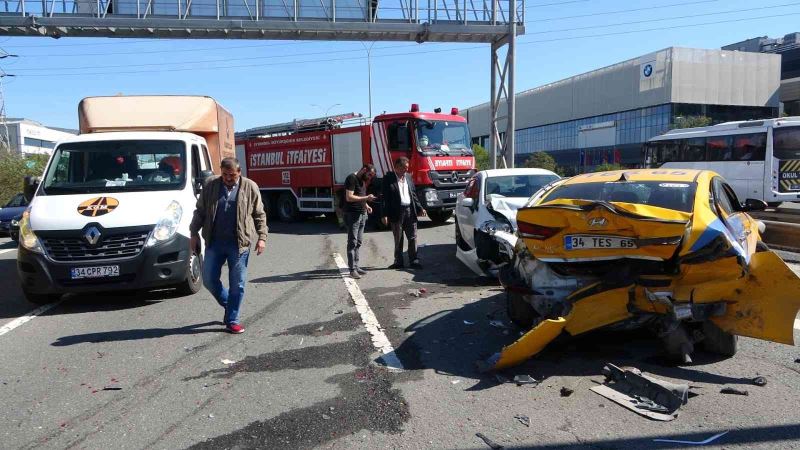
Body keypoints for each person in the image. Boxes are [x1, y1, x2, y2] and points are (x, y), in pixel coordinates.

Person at [189, 157, 267, 334]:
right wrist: (193, 233)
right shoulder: (211, 185)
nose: (228, 178)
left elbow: (259, 214)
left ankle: (232, 319)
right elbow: (200, 211)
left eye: (232, 175)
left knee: (237, 283)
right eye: (225, 174)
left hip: (239, 244)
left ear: (239, 172)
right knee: (208, 279)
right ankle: (229, 304)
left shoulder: (250, 187)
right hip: (214, 242)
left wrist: (262, 237)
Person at [382, 156, 426, 269]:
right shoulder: (388, 179)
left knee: (413, 236)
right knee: (398, 237)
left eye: (407, 167)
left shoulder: (409, 177)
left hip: (410, 210)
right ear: (397, 167)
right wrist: (384, 214)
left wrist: (420, 208)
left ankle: (414, 260)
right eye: (404, 168)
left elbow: (414, 195)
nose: (406, 170)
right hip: (396, 212)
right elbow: (385, 198)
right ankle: (398, 261)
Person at [344, 164, 377, 279]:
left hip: (362, 214)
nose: (370, 178)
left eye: (371, 176)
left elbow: (361, 195)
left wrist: (367, 205)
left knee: (358, 242)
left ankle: (356, 266)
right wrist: (366, 198)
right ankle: (352, 269)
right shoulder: (351, 178)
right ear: (364, 170)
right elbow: (349, 197)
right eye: (369, 175)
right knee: (352, 242)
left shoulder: (362, 180)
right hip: (353, 214)